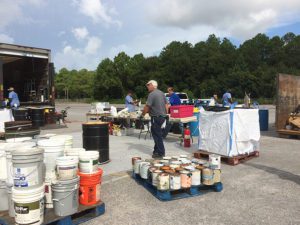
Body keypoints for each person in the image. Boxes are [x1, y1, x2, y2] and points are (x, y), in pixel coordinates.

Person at [142, 80, 168, 158]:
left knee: (157, 136)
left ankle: (161, 153)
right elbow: (167, 104)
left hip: (156, 117)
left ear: (153, 85)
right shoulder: (161, 93)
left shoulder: (152, 94)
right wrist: (166, 114)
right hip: (163, 117)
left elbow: (147, 106)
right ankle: (156, 151)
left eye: (148, 85)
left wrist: (142, 114)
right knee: (158, 134)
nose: (147, 87)